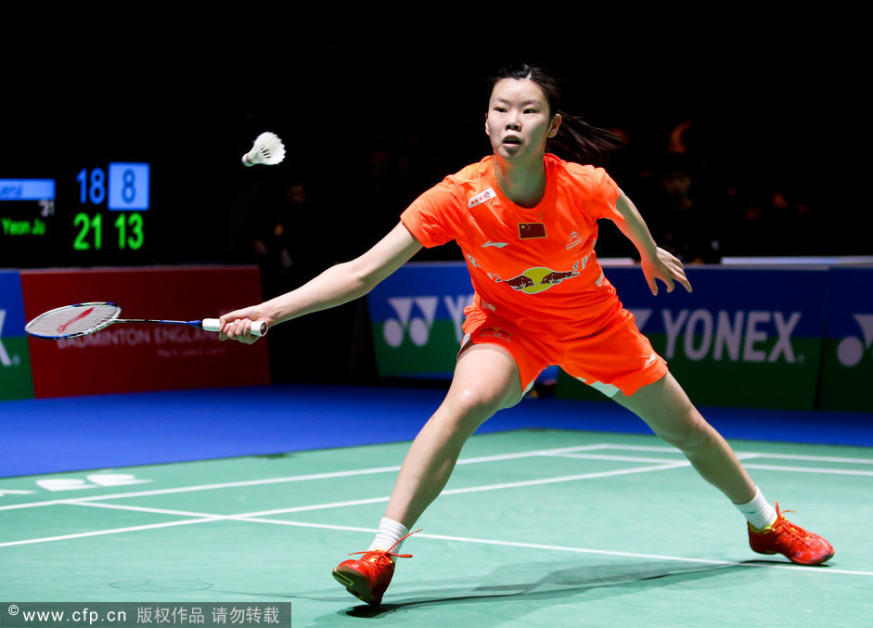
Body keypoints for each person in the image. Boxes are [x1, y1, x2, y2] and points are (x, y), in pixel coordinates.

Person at [219, 64, 834, 607]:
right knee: (461, 405)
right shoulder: (456, 197)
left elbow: (620, 204)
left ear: (552, 124)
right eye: (500, 109)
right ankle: (379, 554)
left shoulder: (582, 183)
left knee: (688, 430)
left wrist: (647, 250)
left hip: (596, 326)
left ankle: (765, 522)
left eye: (528, 110)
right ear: (485, 123)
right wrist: (270, 312)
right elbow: (359, 272)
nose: (512, 121)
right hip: (508, 327)